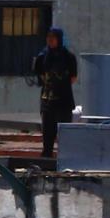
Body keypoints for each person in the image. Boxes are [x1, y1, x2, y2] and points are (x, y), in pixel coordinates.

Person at [31, 27, 79, 159]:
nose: (50, 40)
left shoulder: (69, 57)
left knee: (64, 134)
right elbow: (40, 75)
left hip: (63, 101)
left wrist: (60, 83)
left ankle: (65, 159)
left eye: (53, 37)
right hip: (47, 102)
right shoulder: (43, 56)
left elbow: (73, 78)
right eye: (48, 37)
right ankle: (47, 158)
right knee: (47, 133)